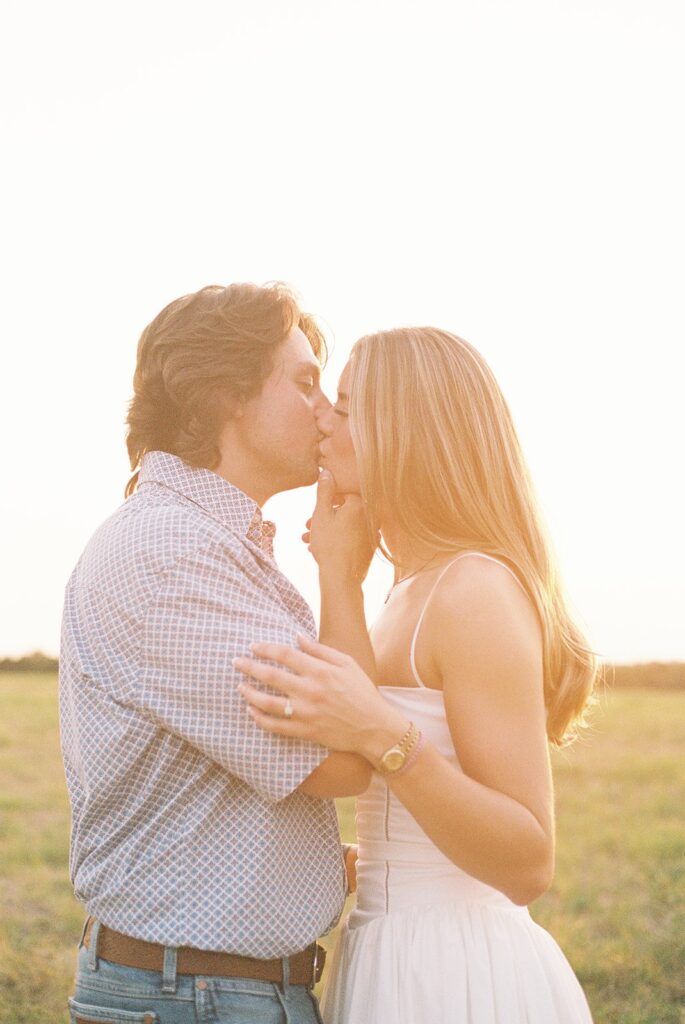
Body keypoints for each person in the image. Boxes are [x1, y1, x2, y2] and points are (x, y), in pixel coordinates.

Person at [236, 326, 598, 1023]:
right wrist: (339, 578)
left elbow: (528, 863)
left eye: (343, 405)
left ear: (401, 432)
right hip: (381, 948)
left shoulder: (471, 591)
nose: (321, 418)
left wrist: (381, 734)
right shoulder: (406, 590)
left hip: (455, 972)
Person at [58, 281, 371, 1024]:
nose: (325, 409)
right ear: (226, 394)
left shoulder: (211, 547)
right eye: (303, 383)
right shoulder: (172, 553)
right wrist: (341, 575)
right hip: (196, 1000)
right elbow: (339, 760)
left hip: (206, 992)